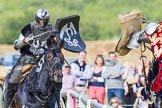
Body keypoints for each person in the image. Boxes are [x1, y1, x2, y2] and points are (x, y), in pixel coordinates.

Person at [3, 8, 60, 107]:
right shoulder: (29, 28)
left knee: (56, 77)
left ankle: (57, 103)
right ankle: (7, 102)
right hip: (27, 59)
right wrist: (24, 41)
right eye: (41, 20)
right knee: (15, 76)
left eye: (45, 20)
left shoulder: (51, 29)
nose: (43, 22)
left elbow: (56, 47)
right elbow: (16, 45)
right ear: (36, 18)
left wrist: (57, 36)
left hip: (44, 62)